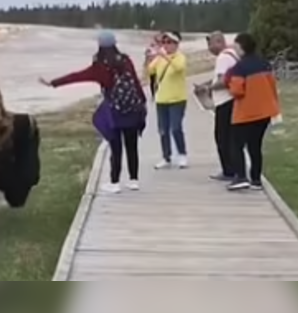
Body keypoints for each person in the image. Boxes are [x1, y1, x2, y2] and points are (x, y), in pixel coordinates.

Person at [40, 30, 147, 194]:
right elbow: (136, 83)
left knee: (115, 147)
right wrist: (143, 102)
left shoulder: (99, 66)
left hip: (114, 111)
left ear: (100, 45)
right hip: (132, 109)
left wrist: (54, 83)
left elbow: (77, 76)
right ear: (114, 44)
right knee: (132, 146)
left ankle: (115, 182)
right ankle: (134, 180)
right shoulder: (125, 60)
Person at [223, 32, 281, 192]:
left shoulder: (239, 68)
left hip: (245, 113)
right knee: (255, 146)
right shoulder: (265, 64)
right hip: (264, 113)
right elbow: (273, 87)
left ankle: (241, 177)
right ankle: (256, 179)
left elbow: (237, 91)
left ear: (241, 48)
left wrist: (229, 85)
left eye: (236, 46)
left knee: (236, 145)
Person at [195, 32, 240, 182]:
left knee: (222, 137)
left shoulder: (222, 57)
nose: (209, 48)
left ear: (220, 42)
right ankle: (235, 169)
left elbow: (222, 82)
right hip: (233, 100)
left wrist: (208, 89)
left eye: (211, 44)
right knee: (231, 137)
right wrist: (207, 83)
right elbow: (222, 77)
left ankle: (229, 171)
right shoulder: (232, 54)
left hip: (225, 102)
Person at [148, 31, 188, 169]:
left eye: (169, 42)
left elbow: (178, 68)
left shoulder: (180, 57)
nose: (166, 45)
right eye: (164, 42)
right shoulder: (160, 58)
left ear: (176, 44)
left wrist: (165, 56)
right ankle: (166, 157)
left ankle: (182, 154)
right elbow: (150, 70)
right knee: (163, 130)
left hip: (177, 99)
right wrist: (152, 56)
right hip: (162, 99)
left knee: (176, 128)